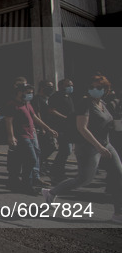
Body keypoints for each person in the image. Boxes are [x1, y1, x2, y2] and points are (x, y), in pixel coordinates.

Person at [42, 75, 122, 224]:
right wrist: (98, 147)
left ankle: (118, 213)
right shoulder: (85, 103)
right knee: (83, 179)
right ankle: (51, 192)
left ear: (105, 89)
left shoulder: (103, 103)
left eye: (98, 88)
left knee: (119, 175)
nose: (94, 90)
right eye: (92, 87)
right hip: (88, 147)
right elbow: (82, 128)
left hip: (106, 144)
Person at [5, 83, 57, 194]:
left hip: (31, 135)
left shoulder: (27, 104)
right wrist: (11, 136)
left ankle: (25, 183)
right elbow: (8, 121)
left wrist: (48, 129)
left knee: (27, 160)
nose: (30, 95)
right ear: (20, 92)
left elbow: (34, 117)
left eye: (31, 92)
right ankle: (26, 183)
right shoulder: (13, 105)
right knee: (31, 159)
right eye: (28, 92)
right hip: (22, 136)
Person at [47, 79, 76, 183]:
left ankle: (58, 170)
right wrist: (65, 117)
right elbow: (51, 110)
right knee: (66, 150)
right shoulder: (56, 97)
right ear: (61, 86)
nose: (71, 87)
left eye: (71, 85)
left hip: (68, 128)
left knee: (66, 151)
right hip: (60, 127)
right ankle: (56, 171)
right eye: (68, 85)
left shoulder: (68, 97)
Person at [31, 80, 56, 175]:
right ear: (42, 87)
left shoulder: (48, 99)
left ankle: (41, 165)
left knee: (47, 147)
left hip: (49, 126)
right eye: (49, 86)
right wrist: (42, 128)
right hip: (41, 127)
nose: (51, 89)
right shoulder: (37, 99)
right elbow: (37, 113)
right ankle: (38, 166)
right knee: (48, 147)